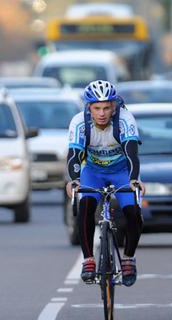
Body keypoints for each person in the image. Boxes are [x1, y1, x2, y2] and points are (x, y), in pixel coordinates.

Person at [65, 80, 145, 287]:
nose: (102, 113)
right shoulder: (79, 122)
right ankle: (89, 260)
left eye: (106, 108)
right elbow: (74, 154)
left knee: (132, 211)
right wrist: (74, 181)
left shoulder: (125, 119)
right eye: (97, 108)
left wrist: (134, 179)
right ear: (88, 107)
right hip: (93, 172)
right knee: (86, 206)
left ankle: (128, 259)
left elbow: (131, 153)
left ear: (114, 106)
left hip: (122, 172)